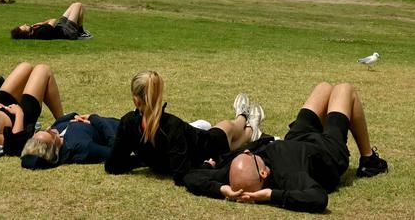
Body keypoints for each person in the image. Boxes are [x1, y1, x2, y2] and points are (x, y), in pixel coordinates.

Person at [183, 82, 387, 212]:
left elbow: (189, 177)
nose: (247, 151)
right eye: (250, 156)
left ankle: (328, 121)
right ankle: (369, 160)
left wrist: (222, 189)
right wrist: (271, 195)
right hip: (326, 151)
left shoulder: (236, 173)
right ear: (264, 173)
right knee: (345, 89)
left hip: (296, 139)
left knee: (324, 87)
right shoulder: (289, 177)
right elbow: (318, 199)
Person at [105, 71, 262, 185]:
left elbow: (113, 165)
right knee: (229, 130)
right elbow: (181, 175)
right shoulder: (172, 126)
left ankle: (244, 118)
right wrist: (206, 166)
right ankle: (247, 123)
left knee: (230, 131)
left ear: (136, 100)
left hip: (202, 143)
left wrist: (143, 160)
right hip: (207, 149)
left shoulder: (129, 123)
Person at [21, 112, 120, 170]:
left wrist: (76, 117)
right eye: (50, 134)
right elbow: (114, 152)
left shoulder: (57, 134)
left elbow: (28, 160)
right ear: (55, 148)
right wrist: (94, 119)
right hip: (123, 128)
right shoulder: (81, 147)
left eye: (41, 130)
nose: (49, 128)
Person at [11, 2, 87, 40]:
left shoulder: (33, 30)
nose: (25, 24)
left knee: (74, 5)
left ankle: (81, 31)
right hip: (68, 32)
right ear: (26, 34)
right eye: (24, 27)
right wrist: (43, 23)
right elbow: (53, 20)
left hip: (61, 26)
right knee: (78, 5)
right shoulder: (40, 33)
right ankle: (81, 32)